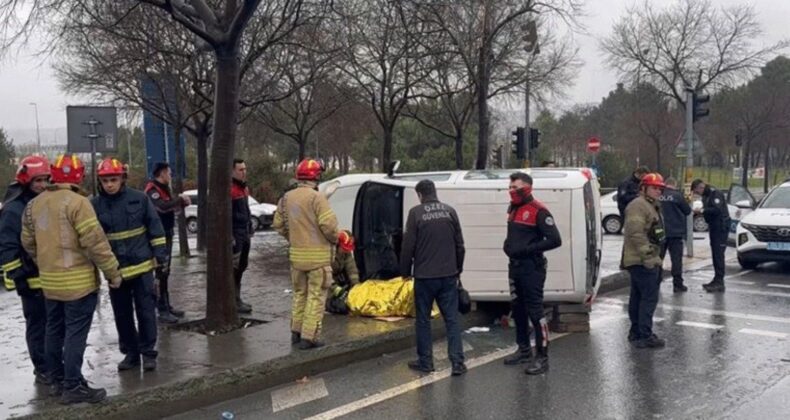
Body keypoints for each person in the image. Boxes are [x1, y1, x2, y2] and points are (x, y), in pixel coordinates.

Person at [21, 154, 122, 404]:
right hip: (78, 285)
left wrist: (45, 261)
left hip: (49, 283)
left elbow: (27, 241)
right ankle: (73, 385)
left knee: (53, 331)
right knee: (75, 335)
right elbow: (96, 243)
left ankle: (56, 380)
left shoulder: (34, 204)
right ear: (80, 176)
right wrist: (113, 273)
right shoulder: (79, 203)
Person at [92, 158, 168, 372]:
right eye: (105, 180)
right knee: (122, 315)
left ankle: (148, 353)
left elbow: (156, 229)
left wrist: (160, 257)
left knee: (146, 312)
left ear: (122, 179)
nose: (109, 184)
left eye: (113, 179)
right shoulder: (95, 205)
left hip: (142, 267)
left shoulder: (140, 199)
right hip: (116, 272)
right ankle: (131, 354)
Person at [400, 179, 467, 377]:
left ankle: (426, 362)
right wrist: (458, 269)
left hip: (424, 276)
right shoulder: (449, 211)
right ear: (434, 192)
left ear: (420, 194)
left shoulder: (416, 213)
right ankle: (457, 363)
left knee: (423, 320)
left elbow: (408, 247)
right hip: (448, 275)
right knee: (452, 320)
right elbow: (460, 245)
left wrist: (404, 271)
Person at [273, 158, 339, 349]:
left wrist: (293, 238)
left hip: (296, 258)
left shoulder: (286, 198)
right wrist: (334, 239)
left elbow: (278, 224)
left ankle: (296, 331)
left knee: (300, 294)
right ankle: (310, 337)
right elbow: (329, 226)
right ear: (315, 176)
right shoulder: (317, 198)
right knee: (316, 297)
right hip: (318, 259)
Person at [502, 172, 562, 375]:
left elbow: (555, 240)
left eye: (515, 187)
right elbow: (514, 235)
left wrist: (528, 249)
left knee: (536, 312)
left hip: (532, 268)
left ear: (527, 187)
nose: (512, 190)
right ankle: (524, 350)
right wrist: (507, 245)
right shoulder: (513, 208)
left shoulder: (539, 211)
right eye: (510, 187)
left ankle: (542, 357)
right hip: (515, 267)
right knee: (517, 309)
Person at [0, 155, 51, 385]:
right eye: (37, 181)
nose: (42, 185)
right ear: (26, 181)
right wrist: (18, 276)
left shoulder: (41, 202)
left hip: (48, 276)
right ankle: (42, 369)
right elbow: (8, 246)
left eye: (45, 180)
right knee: (37, 324)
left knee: (51, 323)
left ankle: (51, 364)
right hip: (29, 278)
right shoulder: (14, 209)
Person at [622, 173, 667, 349]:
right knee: (648, 298)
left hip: (643, 259)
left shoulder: (650, 205)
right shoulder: (639, 206)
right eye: (654, 188)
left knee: (638, 297)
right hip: (642, 260)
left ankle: (636, 332)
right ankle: (644, 334)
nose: (658, 191)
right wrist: (649, 256)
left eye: (660, 188)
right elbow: (636, 233)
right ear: (643, 188)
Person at [145, 162, 190, 323]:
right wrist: (179, 200)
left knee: (165, 272)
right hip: (158, 237)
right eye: (168, 173)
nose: (170, 176)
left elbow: (170, 208)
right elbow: (161, 207)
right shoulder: (152, 190)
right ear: (162, 173)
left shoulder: (164, 189)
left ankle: (166, 305)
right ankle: (161, 309)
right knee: (160, 271)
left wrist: (180, 204)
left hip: (167, 233)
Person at [691, 179, 731, 293]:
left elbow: (717, 210)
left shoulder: (715, 193)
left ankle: (719, 281)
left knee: (719, 254)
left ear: (700, 187)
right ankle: (717, 279)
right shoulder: (706, 195)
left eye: (697, 191)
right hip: (714, 227)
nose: (698, 194)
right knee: (715, 253)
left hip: (721, 227)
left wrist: (702, 211)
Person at [659, 177, 692, 292]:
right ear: (674, 184)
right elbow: (687, 211)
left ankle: (656, 280)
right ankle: (677, 284)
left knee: (658, 258)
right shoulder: (677, 196)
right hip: (676, 232)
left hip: (660, 232)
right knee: (676, 260)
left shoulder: (658, 195)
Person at [231, 158, 254, 313]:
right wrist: (230, 236)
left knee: (242, 266)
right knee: (235, 267)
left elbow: (246, 209)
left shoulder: (243, 188)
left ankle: (237, 298)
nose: (244, 172)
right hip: (236, 234)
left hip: (244, 232)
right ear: (232, 171)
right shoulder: (231, 190)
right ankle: (234, 300)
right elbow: (228, 215)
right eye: (240, 170)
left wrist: (250, 226)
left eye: (245, 169)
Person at [325, 230, 359, 314]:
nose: (346, 251)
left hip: (337, 281)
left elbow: (351, 269)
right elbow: (324, 275)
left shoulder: (346, 253)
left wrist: (356, 285)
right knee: (340, 306)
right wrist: (335, 289)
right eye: (344, 249)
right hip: (326, 284)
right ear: (338, 245)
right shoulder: (327, 253)